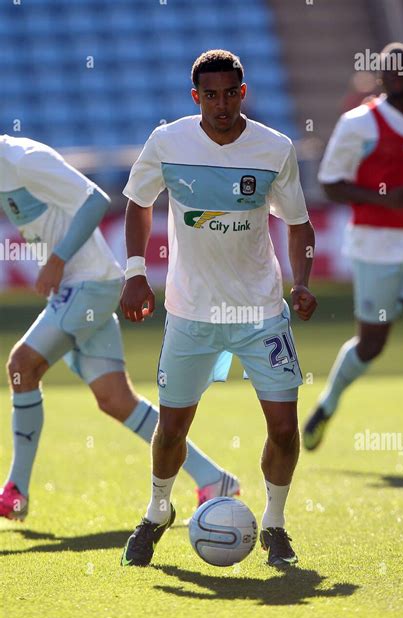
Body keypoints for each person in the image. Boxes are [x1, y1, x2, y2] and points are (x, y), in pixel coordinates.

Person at [120, 49, 317, 568]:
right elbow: (139, 203)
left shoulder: (274, 149)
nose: (221, 104)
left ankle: (273, 524)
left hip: (260, 313)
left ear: (243, 93)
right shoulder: (168, 141)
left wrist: (302, 281)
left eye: (230, 93)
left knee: (283, 429)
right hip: (191, 313)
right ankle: (158, 509)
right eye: (211, 95)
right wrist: (136, 272)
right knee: (172, 429)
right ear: (196, 97)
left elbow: (298, 224)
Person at [0, 134, 239, 521]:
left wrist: (58, 259)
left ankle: (16, 492)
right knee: (115, 399)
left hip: (89, 283)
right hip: (81, 287)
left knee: (21, 366)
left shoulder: (24, 159)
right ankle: (214, 478)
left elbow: (96, 199)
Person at [303, 43, 403, 474]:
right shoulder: (359, 124)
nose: (396, 76)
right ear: (379, 78)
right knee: (372, 343)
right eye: (387, 71)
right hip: (376, 246)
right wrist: (385, 200)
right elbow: (331, 183)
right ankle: (327, 404)